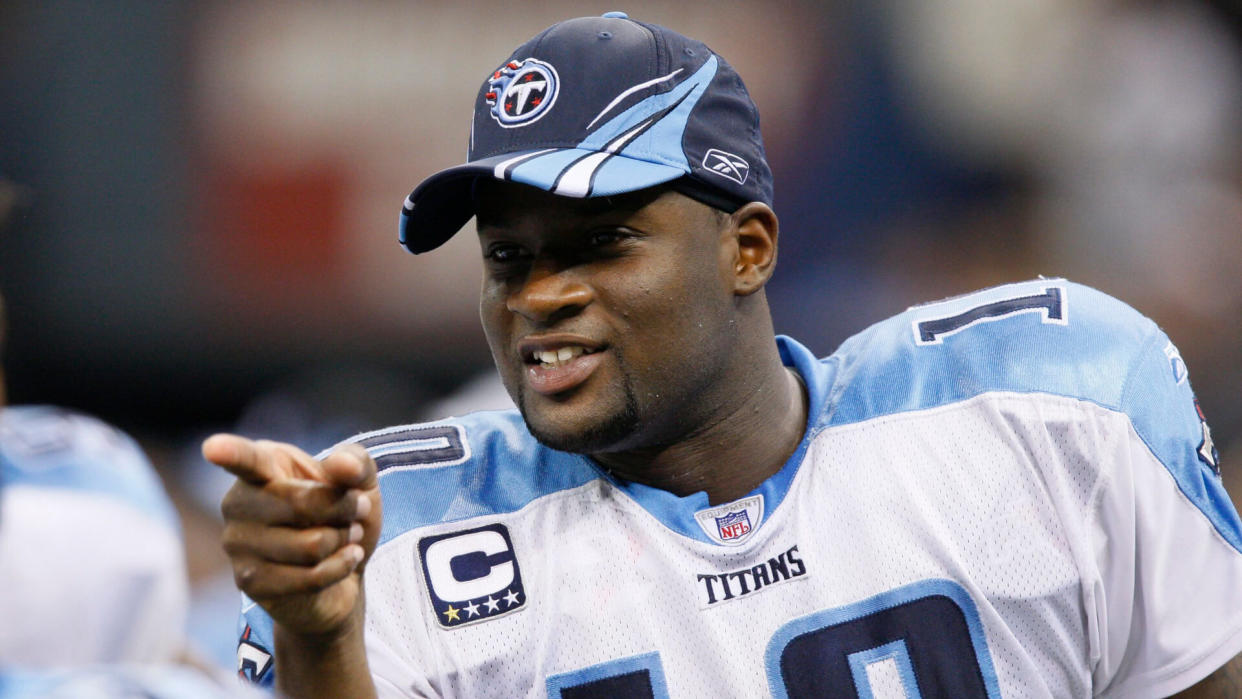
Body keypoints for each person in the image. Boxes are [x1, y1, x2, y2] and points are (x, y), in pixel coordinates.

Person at [205, 12, 1242, 697]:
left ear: (747, 247)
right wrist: (320, 639)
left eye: (602, 244)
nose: (540, 297)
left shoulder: (1049, 401)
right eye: (509, 259)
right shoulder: (395, 539)